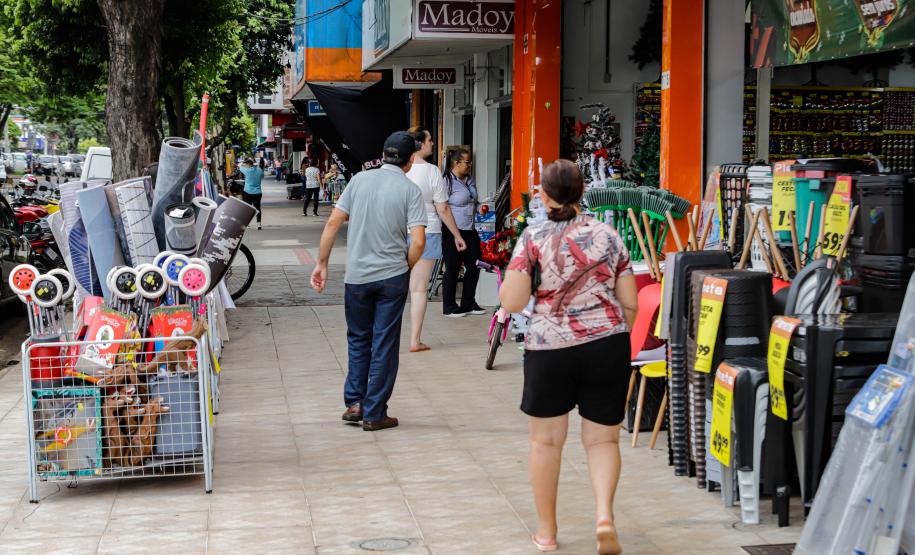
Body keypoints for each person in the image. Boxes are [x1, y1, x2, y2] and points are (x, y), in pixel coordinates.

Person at [499, 159, 638, 555]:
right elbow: (630, 303)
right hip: (607, 346)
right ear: (583, 193)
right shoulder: (609, 235)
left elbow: (512, 301)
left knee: (545, 443)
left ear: (543, 195)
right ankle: (604, 516)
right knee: (603, 441)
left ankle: (546, 532)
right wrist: (611, 333)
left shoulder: (532, 237)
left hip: (550, 350)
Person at [311, 132, 426, 432]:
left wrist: (321, 263)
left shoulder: (359, 180)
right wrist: (406, 265)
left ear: (384, 154)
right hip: (391, 278)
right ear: (410, 160)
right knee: (384, 343)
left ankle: (355, 403)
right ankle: (375, 412)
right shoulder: (410, 190)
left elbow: (333, 222)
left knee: (358, 339)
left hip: (357, 278)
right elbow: (418, 241)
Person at [405, 126, 467, 352]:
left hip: (396, 231)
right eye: (430, 140)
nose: (433, 144)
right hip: (426, 231)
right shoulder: (431, 171)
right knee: (419, 289)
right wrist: (457, 235)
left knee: (392, 287)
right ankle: (414, 340)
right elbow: (443, 209)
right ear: (420, 144)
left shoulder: (396, 169)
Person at [441, 148, 484, 317]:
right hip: (452, 229)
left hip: (470, 229)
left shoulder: (470, 179)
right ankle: (449, 306)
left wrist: (481, 207)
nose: (470, 165)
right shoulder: (446, 181)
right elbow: (442, 206)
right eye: (467, 162)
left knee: (476, 264)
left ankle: (468, 303)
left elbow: (474, 201)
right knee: (453, 267)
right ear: (456, 163)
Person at [238, 157, 264, 230]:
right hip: (258, 192)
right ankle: (259, 224)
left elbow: (240, 165)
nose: (245, 165)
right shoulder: (260, 170)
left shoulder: (247, 170)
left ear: (249, 164)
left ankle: (247, 224)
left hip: (248, 192)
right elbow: (262, 176)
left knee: (248, 209)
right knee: (258, 208)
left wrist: (244, 163)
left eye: (246, 164)